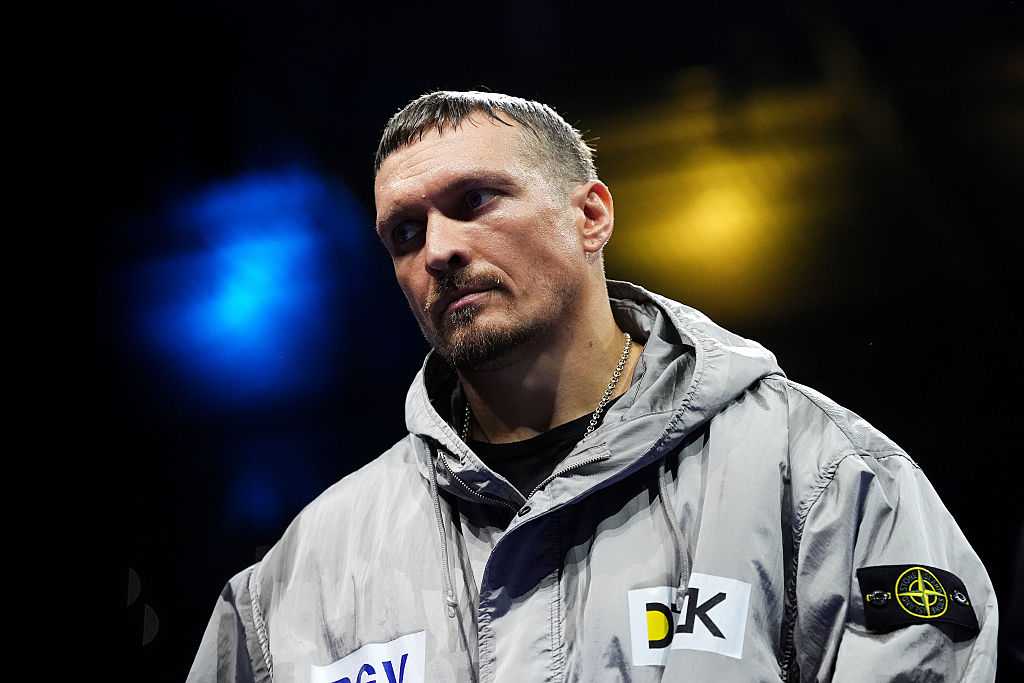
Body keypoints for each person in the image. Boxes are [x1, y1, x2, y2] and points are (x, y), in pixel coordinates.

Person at [188, 91, 998, 682]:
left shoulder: (820, 474)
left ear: (591, 215)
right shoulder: (303, 574)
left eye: (473, 201)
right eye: (406, 232)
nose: (437, 250)